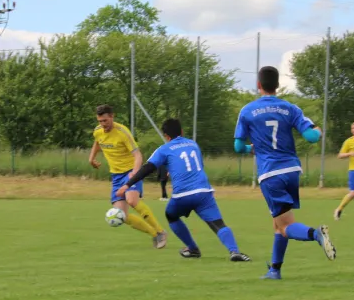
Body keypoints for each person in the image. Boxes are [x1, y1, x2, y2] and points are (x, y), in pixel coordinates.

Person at [234, 65, 336, 280]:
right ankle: (275, 270)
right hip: (291, 170)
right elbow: (310, 137)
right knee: (278, 224)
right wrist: (318, 130)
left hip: (270, 173)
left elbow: (237, 146)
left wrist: (251, 148)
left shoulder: (247, 111)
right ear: (278, 86)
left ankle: (316, 234)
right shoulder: (290, 108)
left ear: (258, 85)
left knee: (286, 224)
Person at [116, 118, 251, 261]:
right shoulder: (193, 144)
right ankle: (234, 251)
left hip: (183, 194)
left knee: (171, 215)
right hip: (203, 192)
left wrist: (127, 185)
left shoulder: (164, 149)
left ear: (166, 136)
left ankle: (193, 249)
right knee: (218, 223)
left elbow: (147, 168)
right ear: (181, 131)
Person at [89, 104, 168, 248]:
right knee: (121, 215)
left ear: (112, 116)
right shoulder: (98, 131)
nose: (102, 124)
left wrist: (135, 172)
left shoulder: (122, 132)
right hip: (116, 176)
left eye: (105, 121)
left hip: (130, 171)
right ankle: (155, 234)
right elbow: (97, 142)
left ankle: (161, 231)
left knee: (132, 200)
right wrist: (91, 158)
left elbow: (138, 155)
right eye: (100, 121)